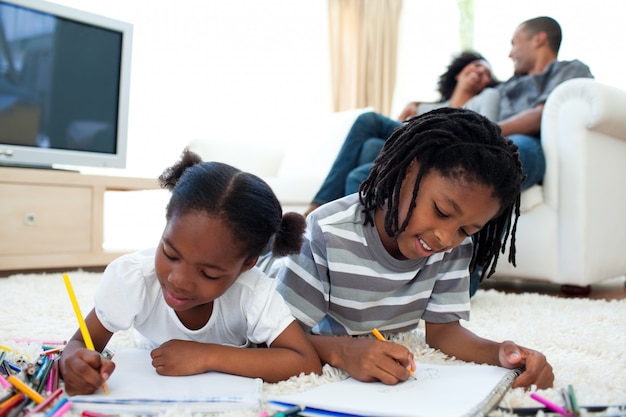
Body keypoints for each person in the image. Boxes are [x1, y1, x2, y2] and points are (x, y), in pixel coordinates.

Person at [267, 108, 554, 389]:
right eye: (441, 211)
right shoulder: (325, 232)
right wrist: (342, 351)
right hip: (270, 268)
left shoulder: (453, 248)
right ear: (407, 170)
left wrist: (502, 353)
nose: (445, 238)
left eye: (466, 230)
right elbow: (278, 337)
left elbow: (444, 334)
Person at [59, 149, 322, 395]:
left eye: (208, 273)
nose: (178, 280)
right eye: (171, 254)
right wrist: (72, 360)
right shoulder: (134, 277)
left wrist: (207, 356)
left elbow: (305, 361)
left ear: (246, 265)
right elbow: (80, 343)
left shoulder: (253, 292)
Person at [304, 51, 497, 218]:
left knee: (368, 120)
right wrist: (417, 104)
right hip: (410, 150)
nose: (480, 72)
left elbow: (486, 131)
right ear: (459, 72)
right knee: (370, 148)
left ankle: (319, 208)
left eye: (487, 73)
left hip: (436, 147)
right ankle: (348, 228)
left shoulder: (486, 97)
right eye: (477, 65)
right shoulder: (425, 108)